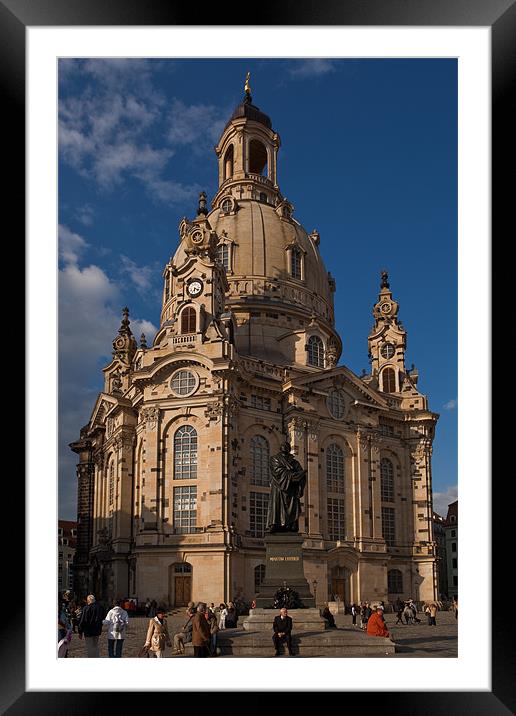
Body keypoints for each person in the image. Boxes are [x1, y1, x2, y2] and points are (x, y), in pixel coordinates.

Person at [266, 442, 307, 533]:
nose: (285, 447)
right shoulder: (274, 459)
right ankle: (275, 524)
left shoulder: (294, 462)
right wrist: (292, 476)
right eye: (283, 446)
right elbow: (277, 471)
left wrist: (300, 476)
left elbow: (301, 474)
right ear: (280, 448)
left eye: (287, 446)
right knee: (277, 506)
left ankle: (291, 525)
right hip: (278, 488)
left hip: (291, 490)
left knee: (292, 507)